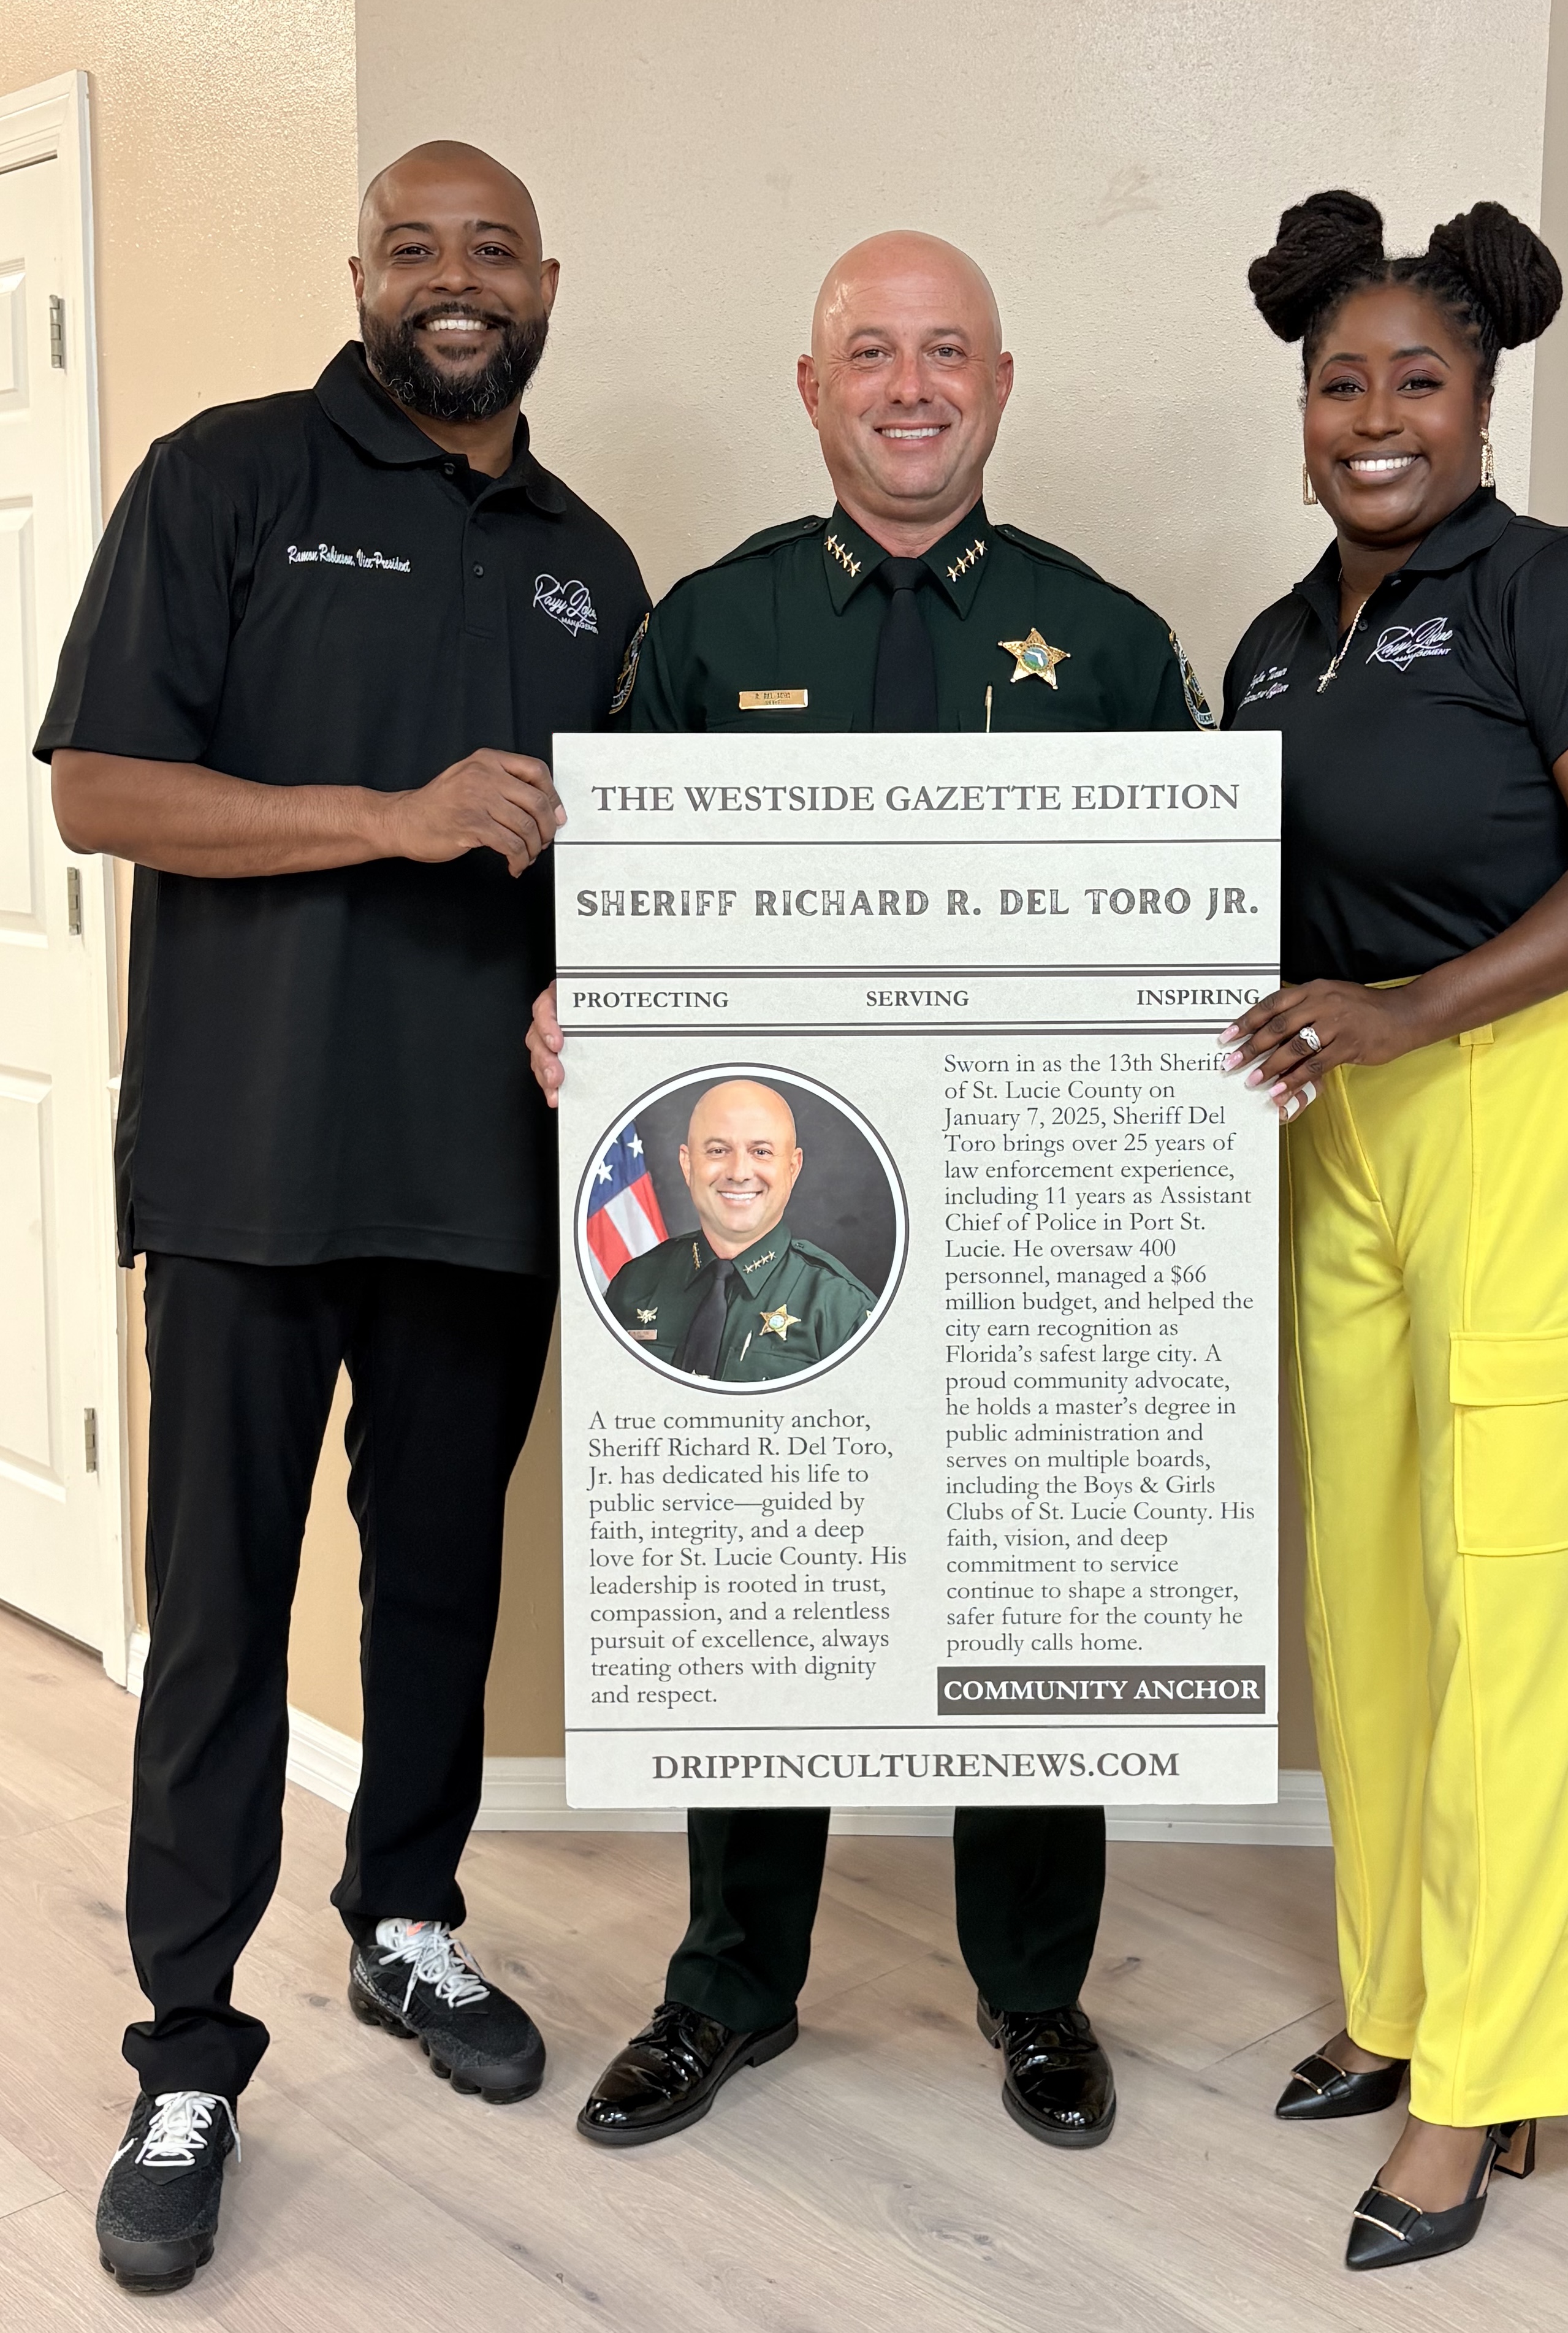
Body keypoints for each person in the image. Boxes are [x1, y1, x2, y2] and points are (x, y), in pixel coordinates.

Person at [529, 229, 1211, 2153]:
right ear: (809, 387)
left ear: (999, 385)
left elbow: (1194, 920)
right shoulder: (703, 631)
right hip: (776, 1202)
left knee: (1022, 1592)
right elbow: (615, 895)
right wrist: (584, 1001)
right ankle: (728, 1983)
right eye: (868, 354)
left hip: (1023, 1216)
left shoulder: (1104, 642)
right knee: (767, 1594)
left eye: (944, 355)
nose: (908, 387)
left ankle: (1031, 1986)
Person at [40, 142, 649, 2293]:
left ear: (545, 278)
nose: (455, 281)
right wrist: (390, 819)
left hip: (484, 1183)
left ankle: (404, 1924)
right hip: (245, 1169)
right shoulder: (224, 477)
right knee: (219, 1625)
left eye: (494, 247)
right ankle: (191, 2046)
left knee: (438, 1596)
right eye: (417, 248)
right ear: (366, 275)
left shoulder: (593, 568)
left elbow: (627, 878)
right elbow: (100, 788)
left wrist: (612, 978)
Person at [1221, 191, 1568, 2270]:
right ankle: (1402, 1997)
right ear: (1300, 405)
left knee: (1519, 1605)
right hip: (1343, 1143)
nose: (1373, 412)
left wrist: (1415, 1005)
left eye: (1415, 376)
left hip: (1520, 1109)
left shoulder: (1563, 590)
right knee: (1378, 1602)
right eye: (1340, 379)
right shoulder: (1262, 645)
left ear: (1481, 399)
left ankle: (1485, 2076)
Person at [605, 1081, 874, 1379]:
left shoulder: (841, 1308)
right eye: (718, 1150)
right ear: (688, 1165)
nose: (739, 1173)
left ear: (793, 1168)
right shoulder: (632, 1287)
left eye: (761, 1152)